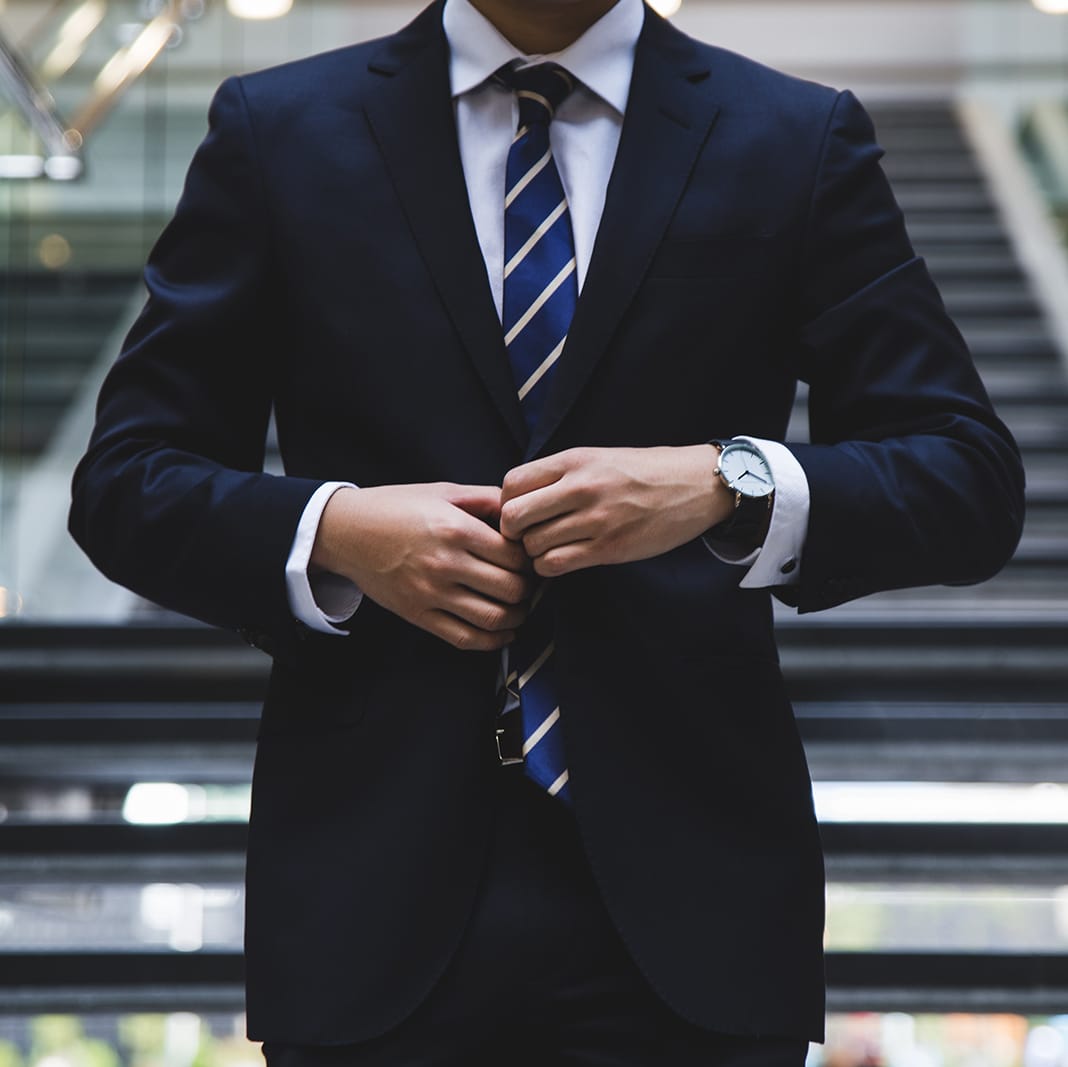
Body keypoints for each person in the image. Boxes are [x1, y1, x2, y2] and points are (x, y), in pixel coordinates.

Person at [69, 0, 1025, 1063]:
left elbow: (964, 475)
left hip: (695, 906)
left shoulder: (793, 135)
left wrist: (726, 480)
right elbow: (125, 481)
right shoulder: (280, 128)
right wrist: (334, 528)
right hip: (368, 894)